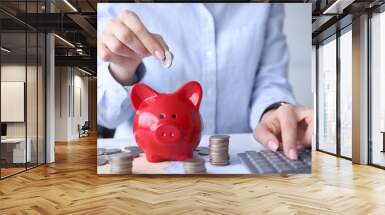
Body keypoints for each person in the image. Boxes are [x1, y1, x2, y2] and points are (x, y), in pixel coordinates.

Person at [97, 3, 313, 160]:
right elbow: (105, 115)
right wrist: (123, 69)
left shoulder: (265, 5)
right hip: (144, 160)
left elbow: (269, 79)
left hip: (235, 157)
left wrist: (272, 112)